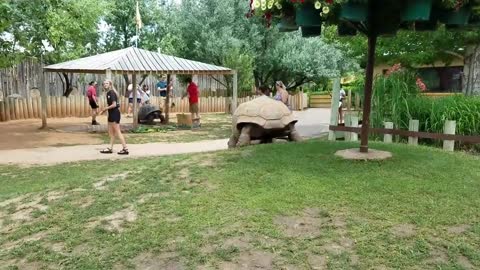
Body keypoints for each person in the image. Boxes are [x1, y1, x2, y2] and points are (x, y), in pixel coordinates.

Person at [99, 80, 128, 155]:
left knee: (117, 131)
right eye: (104, 83)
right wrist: (105, 110)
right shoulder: (108, 93)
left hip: (115, 113)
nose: (105, 85)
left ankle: (125, 148)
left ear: (110, 84)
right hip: (111, 113)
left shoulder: (111, 92)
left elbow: (114, 104)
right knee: (111, 132)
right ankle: (110, 148)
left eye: (107, 83)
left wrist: (105, 109)